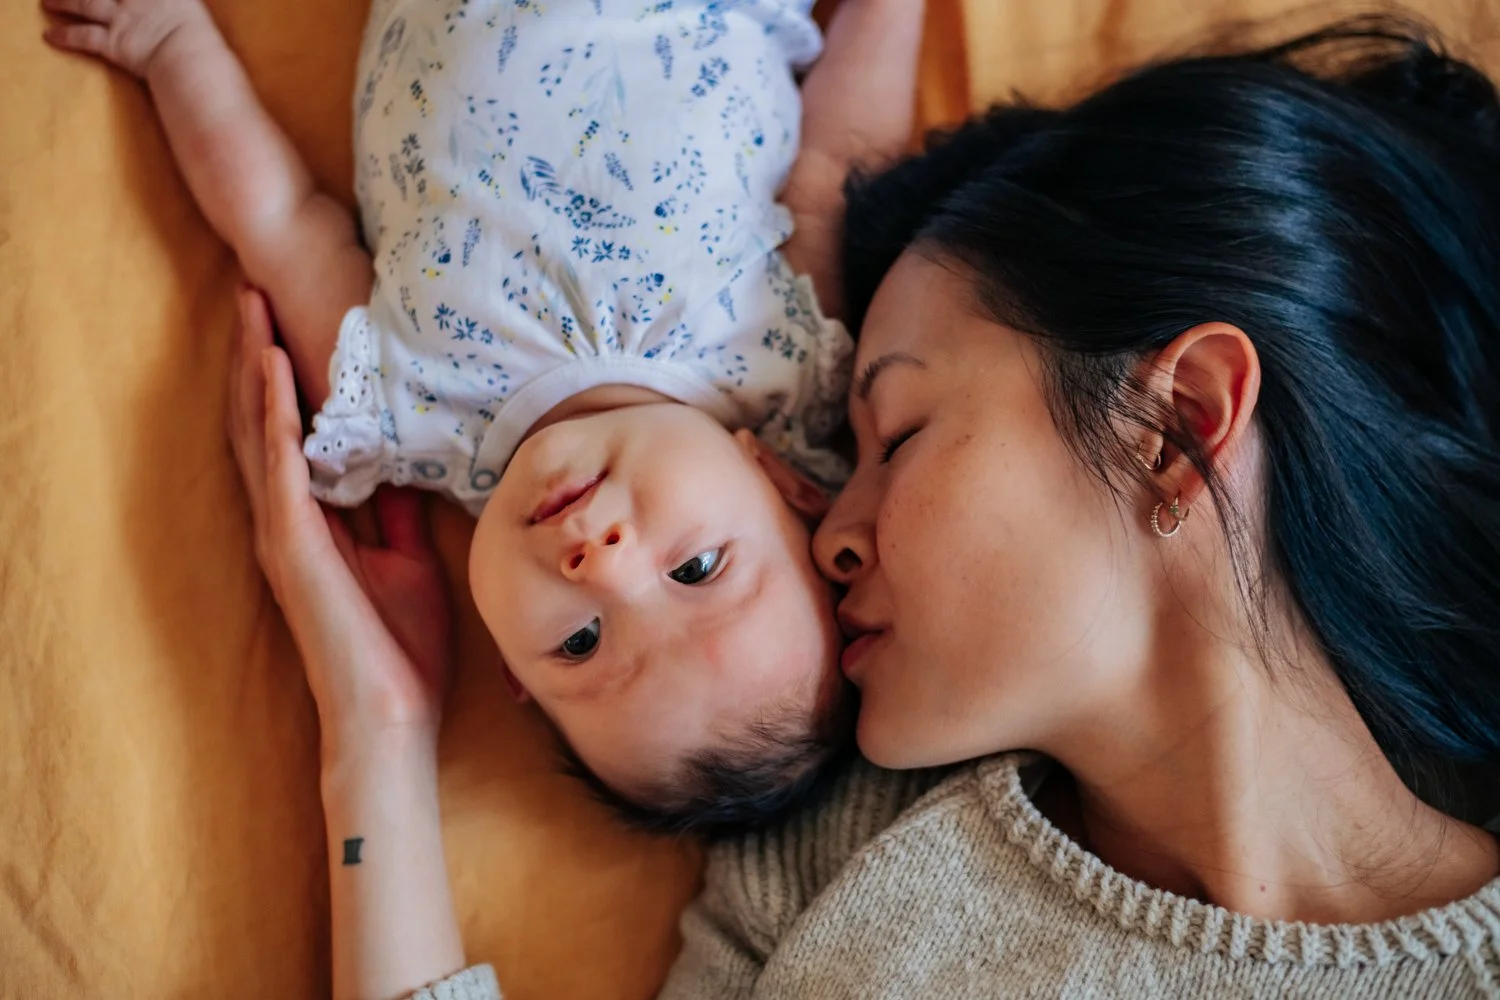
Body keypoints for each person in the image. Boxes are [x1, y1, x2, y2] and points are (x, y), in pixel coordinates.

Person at [225, 16, 1500, 1000]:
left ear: (1173, 427)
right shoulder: (824, 838)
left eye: (895, 433)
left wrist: (375, 738)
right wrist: (379, 742)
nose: (830, 528)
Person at [43, 0, 928, 830]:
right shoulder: (793, 356)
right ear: (783, 484)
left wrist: (169, 48)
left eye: (580, 643)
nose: (602, 566)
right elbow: (840, 160)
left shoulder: (406, 415)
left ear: (511, 666)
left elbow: (280, 219)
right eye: (695, 569)